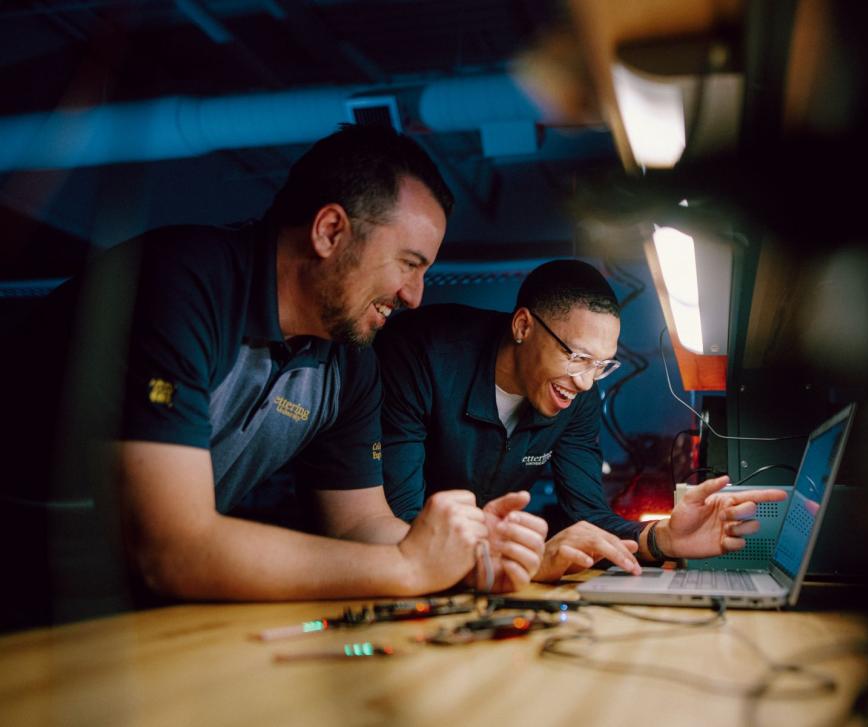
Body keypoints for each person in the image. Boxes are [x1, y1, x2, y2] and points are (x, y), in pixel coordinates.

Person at [0, 124, 545, 630]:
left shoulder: (350, 361)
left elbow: (359, 526)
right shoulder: (180, 285)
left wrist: (464, 557)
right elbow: (171, 547)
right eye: (409, 263)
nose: (415, 295)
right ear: (330, 231)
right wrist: (407, 571)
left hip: (115, 615)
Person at [374, 259, 786, 580]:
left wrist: (662, 538)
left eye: (602, 365)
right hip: (389, 572)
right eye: (578, 358)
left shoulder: (574, 396)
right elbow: (402, 523)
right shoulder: (422, 355)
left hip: (468, 582)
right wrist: (531, 560)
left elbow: (586, 516)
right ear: (523, 326)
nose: (588, 382)